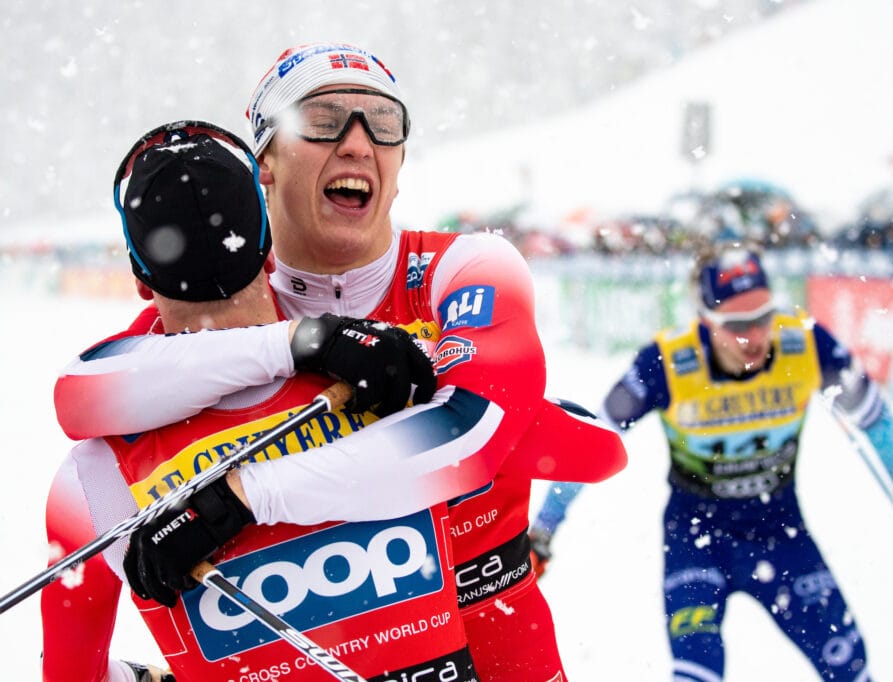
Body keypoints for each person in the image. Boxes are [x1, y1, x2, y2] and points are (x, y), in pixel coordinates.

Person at [52, 43, 627, 681]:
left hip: (499, 632)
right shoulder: (226, 301)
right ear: (263, 163)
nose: (357, 144)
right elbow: (81, 393)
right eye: (323, 120)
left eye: (383, 124)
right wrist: (305, 341)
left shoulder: (462, 270)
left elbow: (507, 437)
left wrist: (240, 497)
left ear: (401, 162)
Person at [43, 120, 506, 681]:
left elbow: (69, 674)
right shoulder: (393, 372)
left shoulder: (88, 481)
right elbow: (584, 450)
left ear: (141, 279)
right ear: (269, 250)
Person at [529, 243, 893, 681]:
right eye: (735, 325)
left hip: (780, 532)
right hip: (697, 538)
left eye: (761, 317)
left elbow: (879, 428)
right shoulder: (667, 362)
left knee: (849, 665)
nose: (753, 336)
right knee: (697, 672)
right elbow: (590, 442)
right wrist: (543, 529)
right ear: (706, 320)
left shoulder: (806, 345)